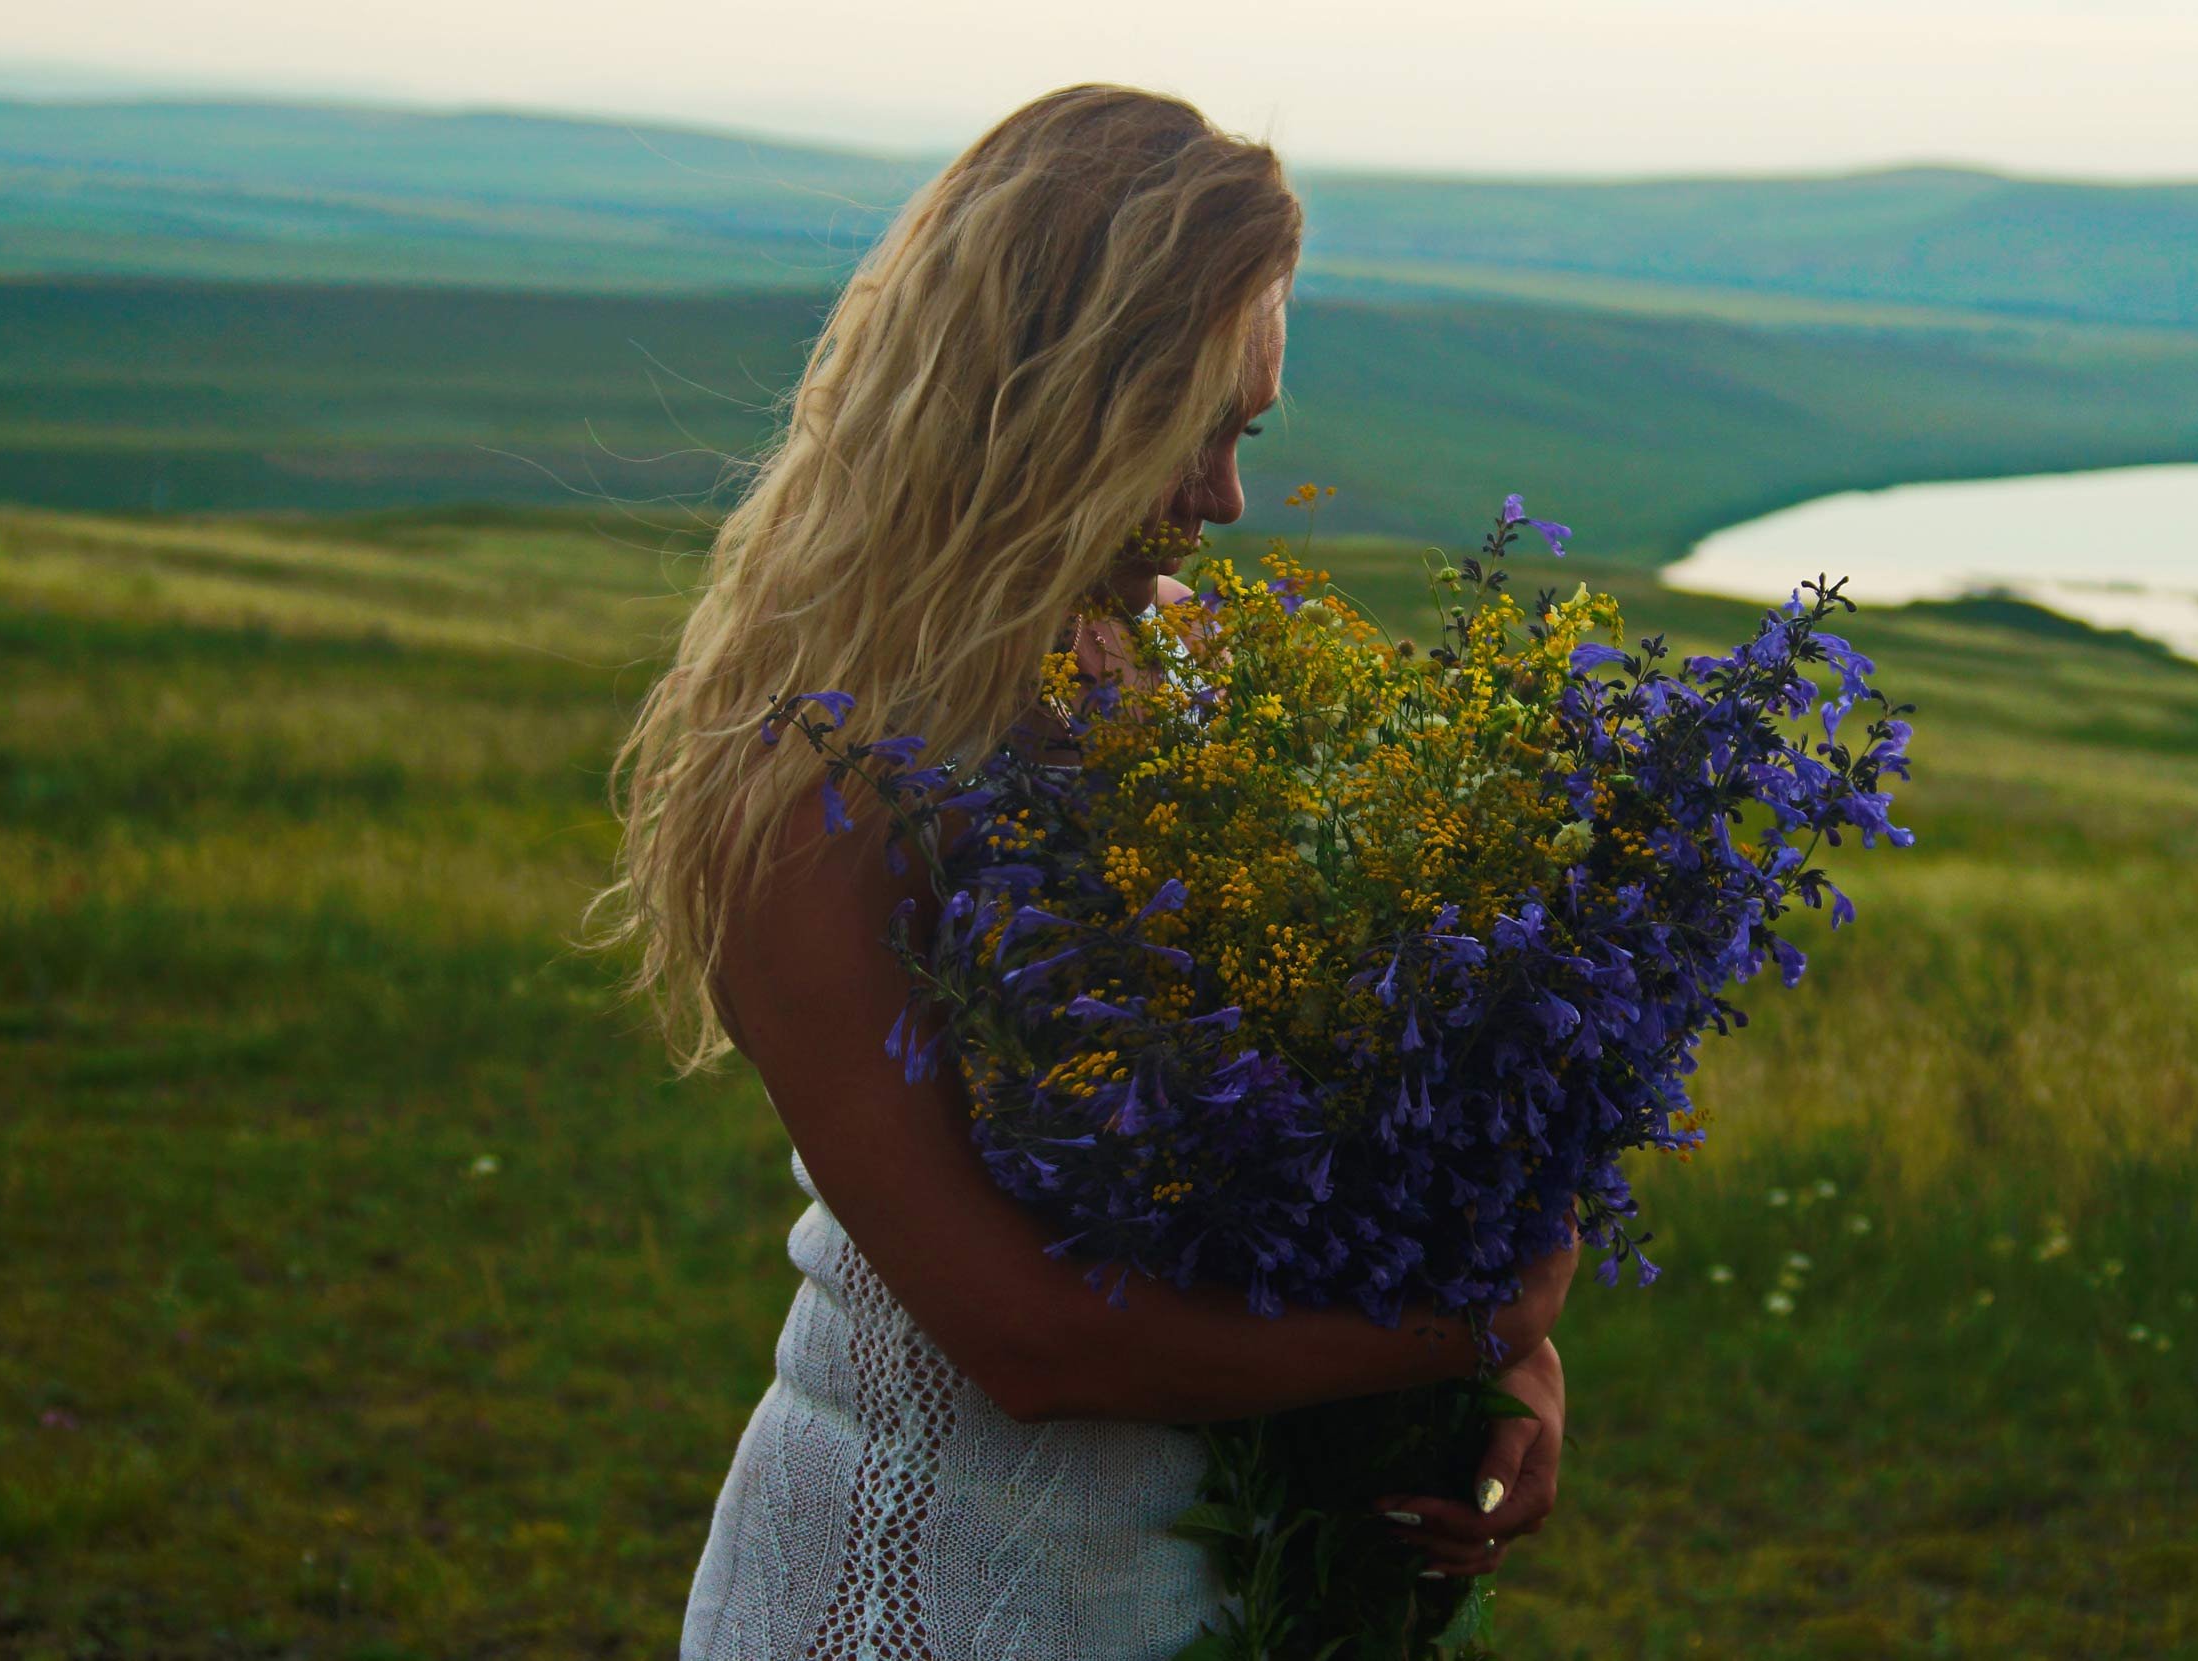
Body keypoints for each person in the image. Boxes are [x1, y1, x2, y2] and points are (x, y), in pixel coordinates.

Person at [591, 83, 1578, 1660]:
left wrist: (1509, 1358)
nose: (1227, 499)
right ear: (1048, 403)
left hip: (1219, 1582)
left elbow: (1378, 1117)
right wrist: (1465, 1323)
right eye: (1191, 428)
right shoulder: (814, 796)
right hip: (910, 1586)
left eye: (1246, 433)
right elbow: (1027, 1339)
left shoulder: (1205, 686)